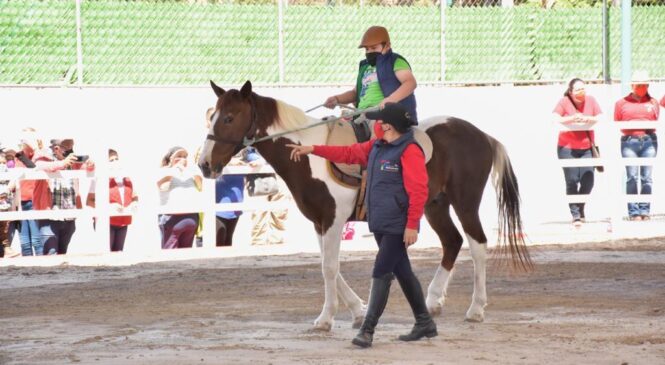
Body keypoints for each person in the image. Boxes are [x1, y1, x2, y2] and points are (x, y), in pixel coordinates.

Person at [286, 102, 436, 348]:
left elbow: (419, 190)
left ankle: (367, 329)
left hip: (398, 225)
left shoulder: (410, 151)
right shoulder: (376, 145)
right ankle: (424, 322)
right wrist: (312, 149)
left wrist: (411, 225)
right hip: (380, 222)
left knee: (381, 271)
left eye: (379, 121)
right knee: (403, 272)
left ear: (388, 125)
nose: (375, 124)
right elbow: (346, 153)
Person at [323, 25, 418, 141]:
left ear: (387, 46)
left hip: (383, 115)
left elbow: (410, 83)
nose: (369, 52)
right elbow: (355, 93)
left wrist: (391, 99)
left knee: (375, 142)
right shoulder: (365, 67)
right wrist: (337, 99)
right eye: (367, 49)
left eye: (374, 48)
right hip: (361, 114)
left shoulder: (395, 61)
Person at [552, 78, 603, 227]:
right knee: (572, 180)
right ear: (571, 91)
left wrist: (587, 118)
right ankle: (575, 214)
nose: (581, 92)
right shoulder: (564, 102)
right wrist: (572, 118)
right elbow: (555, 117)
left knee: (588, 180)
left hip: (587, 147)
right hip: (567, 148)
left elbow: (600, 117)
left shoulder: (591, 100)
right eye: (578, 89)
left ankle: (580, 207)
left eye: (583, 88)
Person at [33, 139, 92, 255]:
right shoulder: (44, 158)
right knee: (51, 253)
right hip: (49, 216)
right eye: (67, 147)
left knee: (62, 253)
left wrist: (91, 163)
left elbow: (89, 168)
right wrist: (63, 163)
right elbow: (39, 166)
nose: (70, 150)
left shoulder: (73, 163)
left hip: (69, 216)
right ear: (56, 148)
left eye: (71, 147)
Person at [614, 71, 659, 221]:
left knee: (647, 177)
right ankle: (633, 212)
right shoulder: (621, 103)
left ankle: (645, 210)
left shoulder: (653, 102)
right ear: (632, 86)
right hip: (629, 141)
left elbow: (655, 120)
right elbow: (618, 121)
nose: (642, 88)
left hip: (648, 140)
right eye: (640, 85)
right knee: (632, 177)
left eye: (645, 85)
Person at [86, 149, 138, 252]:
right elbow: (90, 201)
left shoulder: (126, 178)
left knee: (118, 252)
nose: (115, 162)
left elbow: (135, 196)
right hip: (106, 222)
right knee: (106, 252)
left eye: (116, 159)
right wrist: (108, 207)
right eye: (111, 160)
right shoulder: (98, 179)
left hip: (123, 221)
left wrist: (134, 203)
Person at [157, 146, 202, 249]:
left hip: (191, 218)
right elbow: (164, 187)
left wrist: (195, 173)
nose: (183, 159)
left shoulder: (190, 173)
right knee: (170, 256)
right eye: (179, 156)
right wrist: (174, 170)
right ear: (170, 158)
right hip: (172, 219)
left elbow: (200, 187)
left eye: (185, 157)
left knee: (186, 256)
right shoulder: (164, 171)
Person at [14, 129, 44, 256]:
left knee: (37, 240)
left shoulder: (39, 155)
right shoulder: (17, 156)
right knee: (24, 242)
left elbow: (35, 168)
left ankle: (41, 268)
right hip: (20, 201)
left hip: (33, 201)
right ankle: (27, 272)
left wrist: (36, 149)